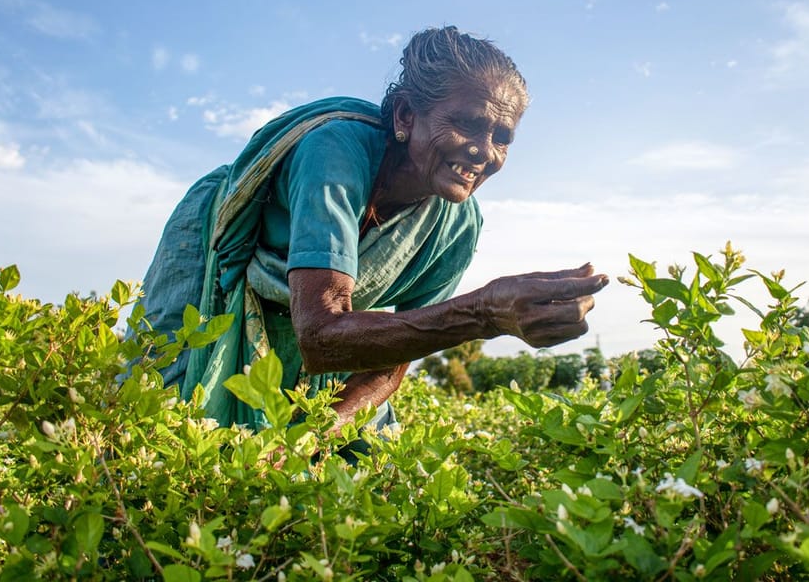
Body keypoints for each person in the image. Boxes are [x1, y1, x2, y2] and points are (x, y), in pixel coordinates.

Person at [135, 26, 608, 430]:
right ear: (405, 116)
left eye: (502, 137)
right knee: (164, 404)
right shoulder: (336, 152)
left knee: (332, 463)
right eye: (468, 125)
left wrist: (312, 440)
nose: (484, 152)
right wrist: (484, 313)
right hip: (213, 268)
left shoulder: (458, 224)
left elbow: (391, 362)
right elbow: (321, 335)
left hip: (313, 330)